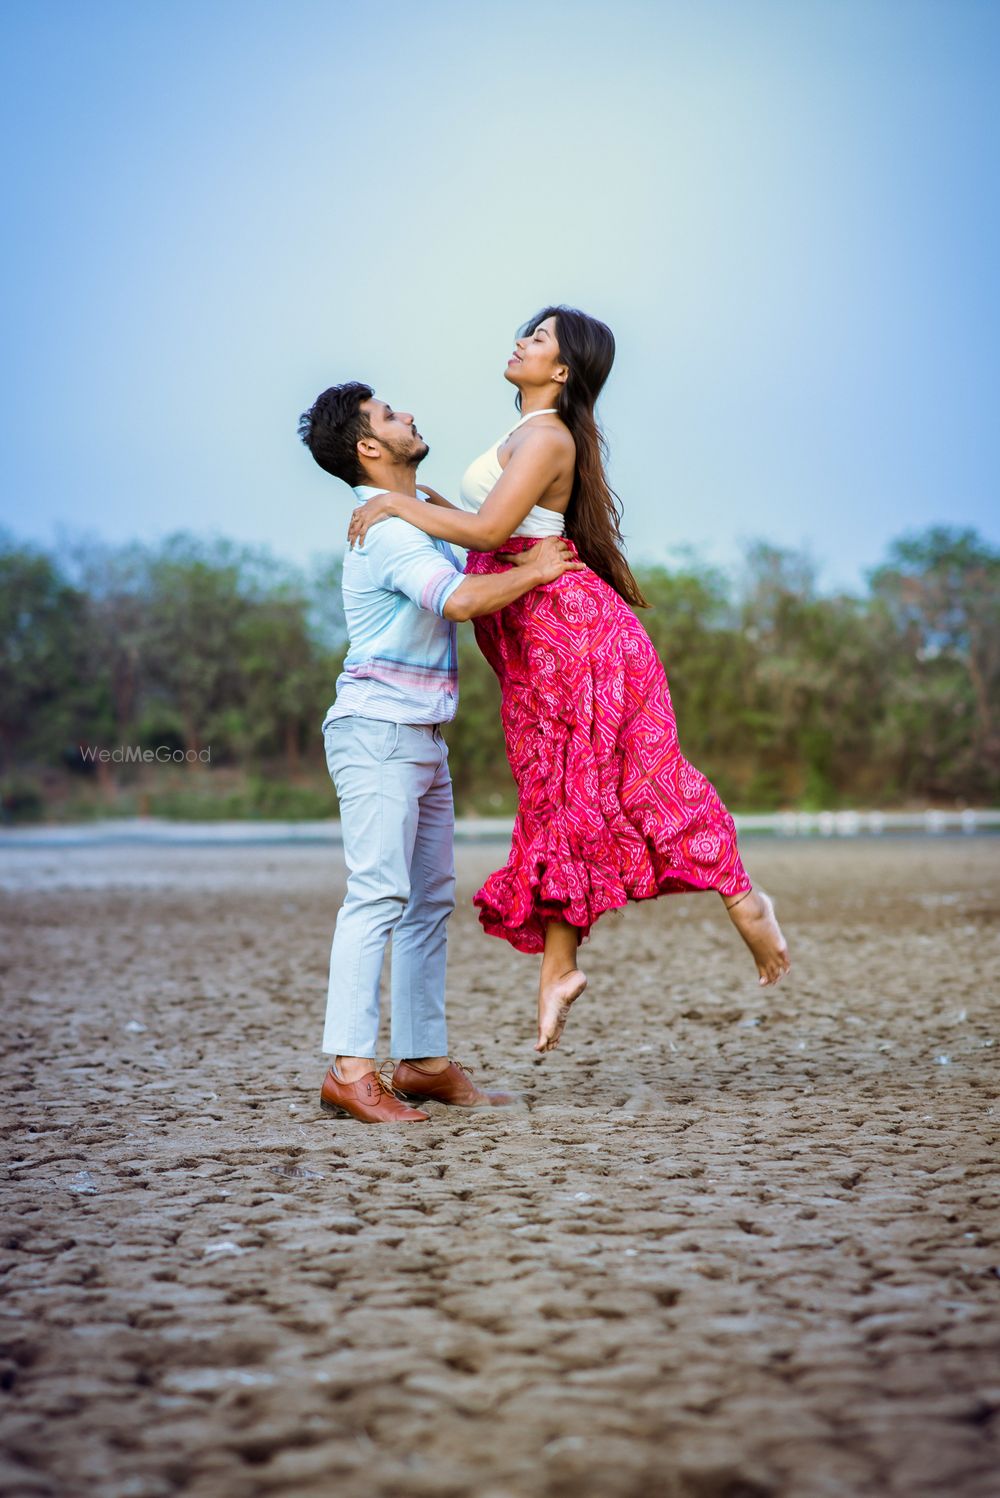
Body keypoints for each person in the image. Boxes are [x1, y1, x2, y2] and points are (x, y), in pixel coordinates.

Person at [346, 307, 792, 1054]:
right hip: (536, 640)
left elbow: (490, 538)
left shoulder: (548, 436)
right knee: (561, 795)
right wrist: (431, 508)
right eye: (528, 331)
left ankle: (743, 895)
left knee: (633, 779)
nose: (521, 339)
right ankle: (559, 970)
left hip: (571, 634)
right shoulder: (527, 435)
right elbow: (503, 530)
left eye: (540, 337)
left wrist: (397, 503)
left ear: (561, 371)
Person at [298, 381, 584, 1122]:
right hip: (378, 731)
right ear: (368, 446)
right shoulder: (389, 532)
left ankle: (422, 1062)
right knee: (377, 895)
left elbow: (487, 528)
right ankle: (349, 1069)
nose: (409, 416)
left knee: (426, 902)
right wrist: (538, 572)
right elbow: (455, 600)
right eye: (391, 415)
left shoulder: (411, 510)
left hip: (421, 736)